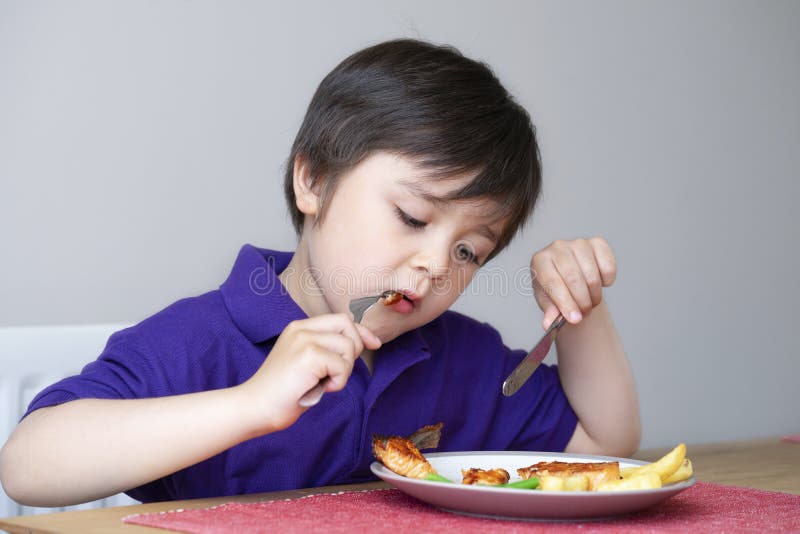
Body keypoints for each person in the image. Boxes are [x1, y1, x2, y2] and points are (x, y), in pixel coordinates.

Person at [0, 39, 640, 507]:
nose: (436, 264)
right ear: (312, 181)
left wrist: (580, 308)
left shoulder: (460, 358)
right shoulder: (202, 340)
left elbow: (603, 449)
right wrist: (251, 404)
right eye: (413, 217)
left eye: (470, 251)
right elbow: (29, 464)